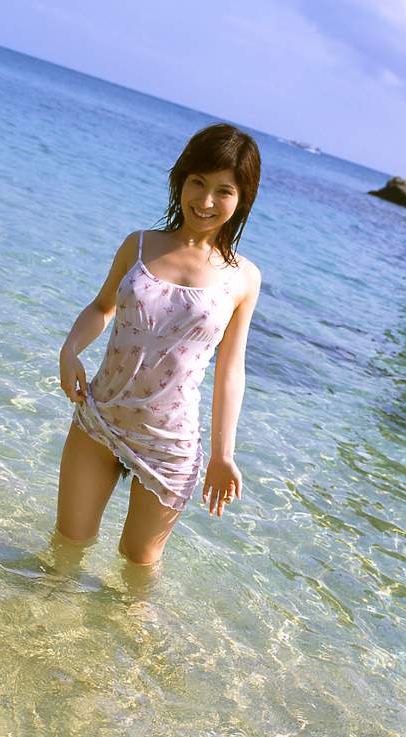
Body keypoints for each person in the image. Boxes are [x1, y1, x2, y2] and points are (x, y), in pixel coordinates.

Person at [55, 122, 262, 568]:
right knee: (67, 546)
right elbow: (101, 307)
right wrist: (70, 351)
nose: (206, 201)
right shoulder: (139, 245)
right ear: (181, 180)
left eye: (224, 191)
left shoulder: (243, 278)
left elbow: (231, 370)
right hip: (101, 417)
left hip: (170, 443)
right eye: (198, 182)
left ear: (243, 198)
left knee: (137, 567)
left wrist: (223, 454)